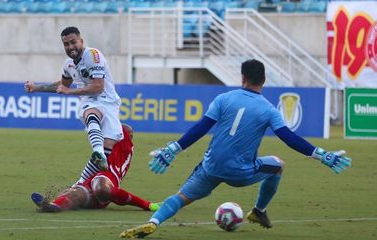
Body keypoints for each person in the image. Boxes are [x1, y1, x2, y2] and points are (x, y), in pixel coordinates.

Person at [119, 59, 352, 238]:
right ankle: (259, 210)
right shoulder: (268, 109)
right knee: (278, 165)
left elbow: (201, 128)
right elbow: (288, 138)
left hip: (211, 168)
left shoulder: (224, 98)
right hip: (241, 173)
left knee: (180, 197)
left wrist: (172, 149)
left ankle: (155, 222)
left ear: (243, 78)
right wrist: (321, 154)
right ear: (264, 80)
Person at [25, 26, 121, 184]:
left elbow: (98, 87)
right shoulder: (68, 64)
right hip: (89, 102)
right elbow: (61, 85)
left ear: (81, 41)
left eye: (73, 42)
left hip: (108, 101)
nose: (70, 47)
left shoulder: (93, 55)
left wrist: (69, 92)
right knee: (91, 113)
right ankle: (97, 152)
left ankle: (80, 182)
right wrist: (36, 88)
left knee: (107, 149)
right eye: (66, 44)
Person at [31, 124, 161, 213]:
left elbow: (124, 130)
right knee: (76, 195)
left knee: (101, 187)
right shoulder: (110, 146)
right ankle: (54, 206)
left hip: (107, 180)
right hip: (95, 180)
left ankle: (145, 204)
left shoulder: (124, 147)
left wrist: (147, 205)